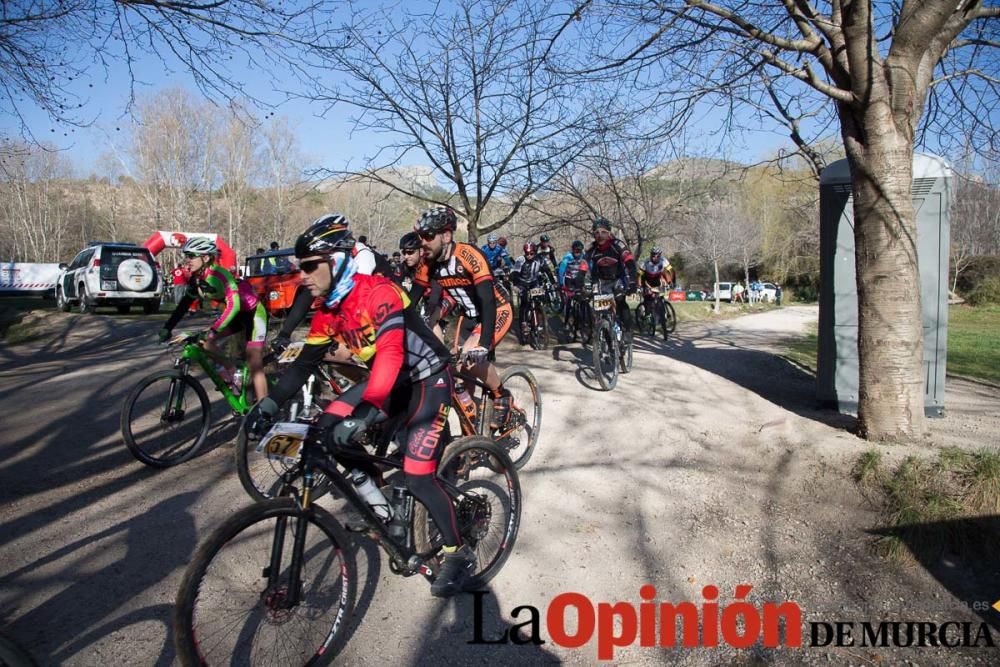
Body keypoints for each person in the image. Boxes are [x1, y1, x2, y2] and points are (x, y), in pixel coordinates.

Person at [244, 215, 474, 597]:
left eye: (308, 266)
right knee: (327, 433)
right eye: (299, 268)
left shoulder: (378, 292)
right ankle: (380, 508)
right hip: (393, 380)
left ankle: (457, 550)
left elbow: (388, 357)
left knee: (417, 475)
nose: (301, 276)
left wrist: (365, 415)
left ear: (335, 261)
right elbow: (304, 365)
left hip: (427, 379)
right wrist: (268, 404)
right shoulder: (329, 310)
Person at [413, 206, 514, 429]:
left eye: (428, 236)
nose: (422, 242)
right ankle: (473, 436)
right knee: (456, 378)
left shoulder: (469, 255)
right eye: (420, 237)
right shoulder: (428, 263)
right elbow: (412, 302)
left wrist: (484, 344)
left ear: (447, 235)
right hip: (468, 316)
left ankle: (501, 395)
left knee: (468, 358)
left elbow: (487, 303)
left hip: (496, 309)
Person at [159, 237, 269, 401]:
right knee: (205, 343)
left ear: (205, 257)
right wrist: (168, 327)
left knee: (254, 362)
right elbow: (183, 305)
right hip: (234, 315)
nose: (187, 260)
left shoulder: (220, 275)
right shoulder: (196, 279)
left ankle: (264, 413)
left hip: (253, 314)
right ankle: (233, 371)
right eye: (186, 256)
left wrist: (213, 330)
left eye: (191, 256)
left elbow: (234, 306)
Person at [272, 214, 390, 354]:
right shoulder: (327, 258)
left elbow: (357, 297)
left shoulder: (362, 253)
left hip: (384, 307)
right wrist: (285, 333)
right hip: (359, 308)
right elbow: (307, 295)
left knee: (342, 354)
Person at [584, 217, 638, 331]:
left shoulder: (618, 244)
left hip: (618, 278)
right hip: (601, 281)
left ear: (609, 233)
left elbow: (630, 263)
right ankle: (601, 332)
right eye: (597, 233)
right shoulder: (592, 249)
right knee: (597, 309)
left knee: (621, 302)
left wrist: (633, 282)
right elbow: (582, 268)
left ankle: (627, 331)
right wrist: (579, 286)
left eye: (603, 232)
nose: (600, 235)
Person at [512, 241, 556, 344]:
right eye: (527, 253)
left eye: (531, 253)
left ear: (534, 252)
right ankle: (524, 324)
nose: (529, 256)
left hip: (534, 282)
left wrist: (553, 283)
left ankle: (540, 319)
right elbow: (514, 274)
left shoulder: (539, 260)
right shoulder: (520, 260)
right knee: (524, 302)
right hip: (522, 283)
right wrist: (516, 285)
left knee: (539, 299)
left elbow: (547, 271)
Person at [557, 240, 589, 325]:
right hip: (569, 280)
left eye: (579, 251)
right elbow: (561, 271)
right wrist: (561, 284)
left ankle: (584, 317)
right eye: (575, 250)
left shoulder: (584, 257)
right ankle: (566, 321)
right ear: (572, 250)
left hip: (579, 280)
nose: (577, 253)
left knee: (582, 298)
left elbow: (591, 268)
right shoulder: (568, 257)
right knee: (569, 300)